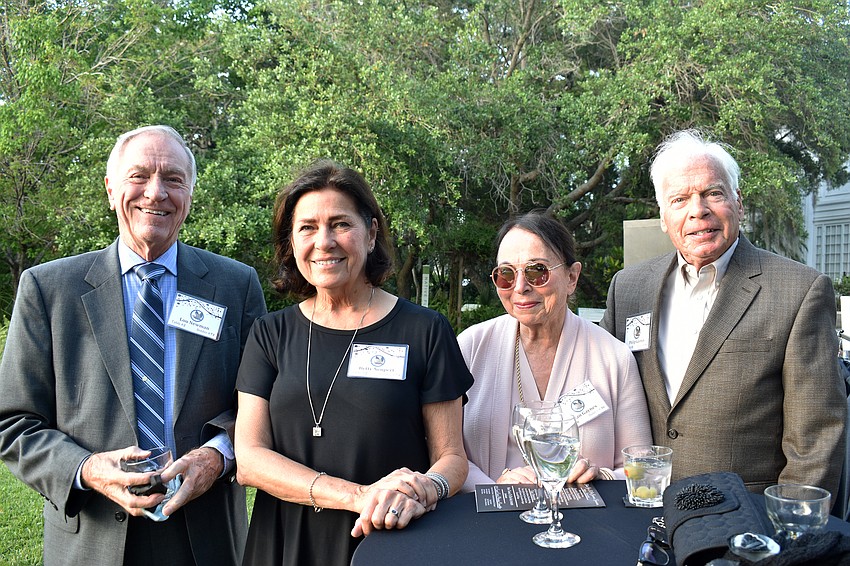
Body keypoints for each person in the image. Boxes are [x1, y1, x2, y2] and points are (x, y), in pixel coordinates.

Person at [0, 125, 267, 565]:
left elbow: (261, 402)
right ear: (111, 189)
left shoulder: (234, 286)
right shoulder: (49, 290)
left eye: (174, 180)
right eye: (139, 176)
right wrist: (87, 470)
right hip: (91, 536)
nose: (156, 193)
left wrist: (218, 456)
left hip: (205, 537)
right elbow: (13, 422)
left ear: (190, 194)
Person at [233, 159, 473, 566]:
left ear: (371, 232)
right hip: (286, 544)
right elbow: (250, 460)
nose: (324, 241)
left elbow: (452, 459)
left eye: (341, 224)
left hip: (390, 540)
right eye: (307, 227)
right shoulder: (269, 334)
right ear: (292, 242)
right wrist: (356, 495)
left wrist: (425, 488)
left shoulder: (425, 330)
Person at [599, 129, 847, 497]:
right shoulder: (629, 288)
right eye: (680, 199)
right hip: (642, 507)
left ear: (739, 203)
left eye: (713, 193)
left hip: (744, 523)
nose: (697, 210)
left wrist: (789, 532)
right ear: (664, 217)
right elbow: (600, 382)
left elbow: (816, 437)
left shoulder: (799, 291)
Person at [460, 211, 652, 491]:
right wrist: (490, 486)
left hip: (583, 527)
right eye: (506, 274)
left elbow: (642, 468)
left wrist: (602, 477)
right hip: (484, 522)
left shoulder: (613, 358)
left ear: (572, 277)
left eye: (537, 271)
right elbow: (445, 455)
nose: (521, 287)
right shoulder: (469, 348)